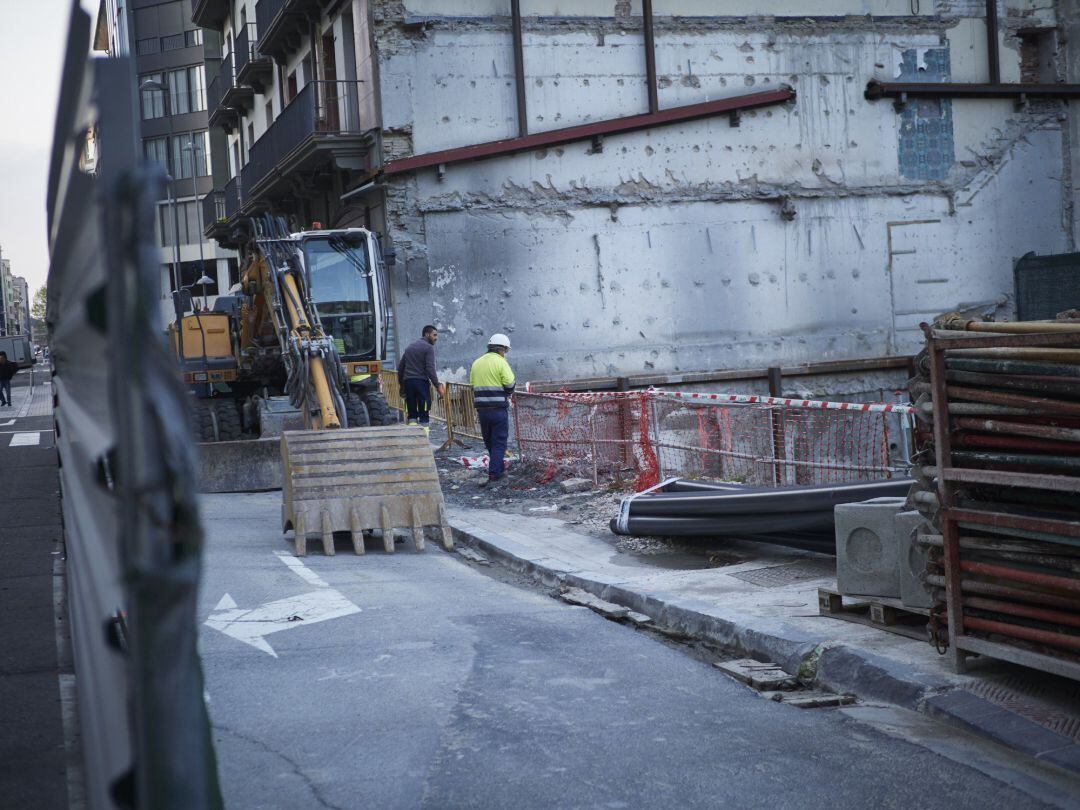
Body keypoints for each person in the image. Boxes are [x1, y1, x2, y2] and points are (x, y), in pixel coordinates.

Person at [469, 333, 515, 487]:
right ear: (501, 348)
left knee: (490, 442)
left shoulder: (476, 363)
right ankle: (495, 474)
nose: (505, 353)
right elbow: (509, 384)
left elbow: (472, 385)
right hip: (498, 409)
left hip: (482, 411)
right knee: (499, 443)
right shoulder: (501, 362)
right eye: (505, 350)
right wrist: (507, 393)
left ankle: (498, 469)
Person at [397, 325, 445, 431]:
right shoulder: (428, 348)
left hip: (408, 383)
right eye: (434, 335)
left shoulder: (409, 347)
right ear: (427, 334)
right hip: (421, 383)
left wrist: (401, 385)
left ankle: (413, 438)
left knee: (412, 413)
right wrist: (437, 385)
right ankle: (424, 439)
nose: (436, 338)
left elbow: (401, 368)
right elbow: (430, 369)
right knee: (424, 412)